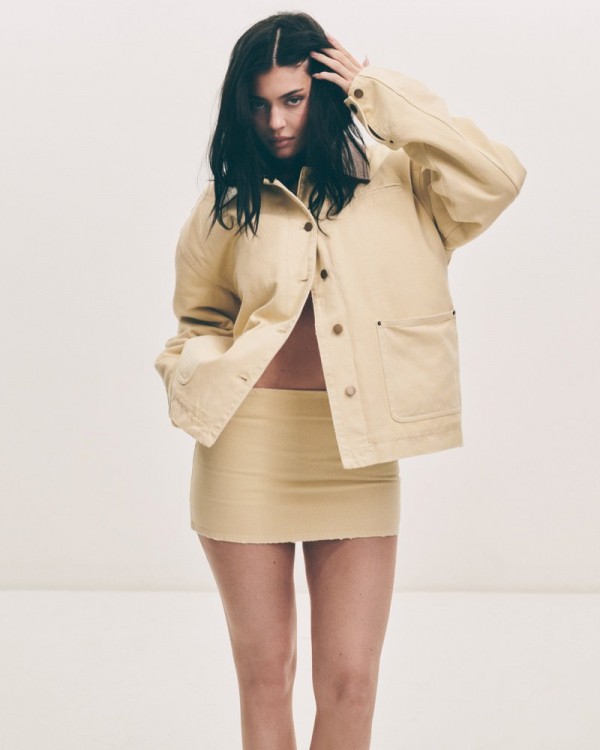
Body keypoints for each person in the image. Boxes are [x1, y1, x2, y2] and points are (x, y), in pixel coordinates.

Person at [154, 11, 526, 750]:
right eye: (259, 104)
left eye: (293, 99)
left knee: (351, 683)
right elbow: (198, 319)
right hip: (247, 449)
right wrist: (195, 373)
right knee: (267, 676)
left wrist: (378, 90)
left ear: (325, 91)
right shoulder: (228, 203)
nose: (275, 121)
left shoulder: (402, 183)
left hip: (356, 449)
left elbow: (497, 179)